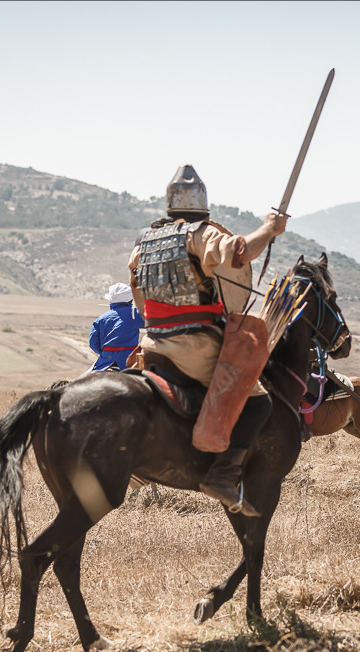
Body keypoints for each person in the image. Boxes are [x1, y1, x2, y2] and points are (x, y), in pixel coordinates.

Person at [127, 165, 286, 517]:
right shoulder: (201, 234)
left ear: (170, 204)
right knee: (259, 401)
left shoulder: (145, 240)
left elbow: (137, 289)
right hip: (194, 347)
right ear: (202, 205)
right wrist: (270, 229)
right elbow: (239, 253)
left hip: (152, 344)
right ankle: (224, 472)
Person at [89, 282, 144, 372]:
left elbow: (93, 344)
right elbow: (154, 325)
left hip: (104, 362)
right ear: (130, 300)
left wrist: (106, 352)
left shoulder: (100, 319)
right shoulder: (135, 314)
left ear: (111, 300)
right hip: (129, 363)